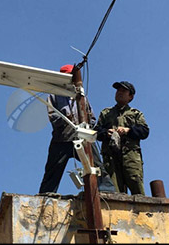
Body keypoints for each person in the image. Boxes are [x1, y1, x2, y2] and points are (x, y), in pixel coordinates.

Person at [38, 64, 115, 194]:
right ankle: (46, 194)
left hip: (82, 136)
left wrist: (86, 126)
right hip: (62, 137)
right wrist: (66, 119)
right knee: (53, 169)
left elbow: (91, 117)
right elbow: (53, 116)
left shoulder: (81, 96)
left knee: (96, 164)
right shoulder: (54, 95)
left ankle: (106, 190)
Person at [94, 81, 149, 195]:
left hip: (130, 154)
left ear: (130, 96)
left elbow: (144, 131)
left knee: (135, 183)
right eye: (118, 90)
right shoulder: (106, 113)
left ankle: (140, 211)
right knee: (113, 188)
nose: (119, 93)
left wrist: (128, 130)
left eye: (123, 91)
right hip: (111, 156)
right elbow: (96, 132)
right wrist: (107, 133)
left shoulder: (135, 114)